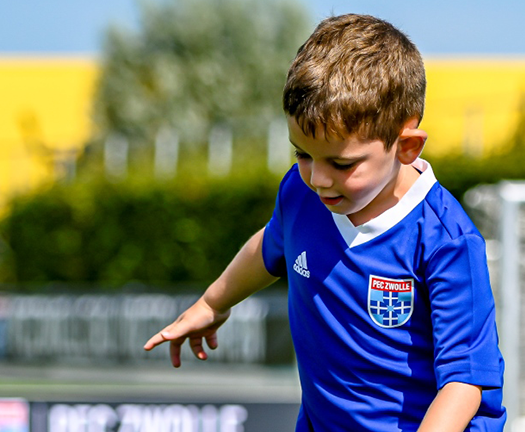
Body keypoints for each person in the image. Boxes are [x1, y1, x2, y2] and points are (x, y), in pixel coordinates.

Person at [143, 14, 506, 431]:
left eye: (341, 163)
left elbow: (464, 383)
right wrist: (213, 303)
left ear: (405, 147)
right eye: (302, 154)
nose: (318, 178)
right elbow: (274, 244)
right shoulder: (303, 194)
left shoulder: (447, 241)